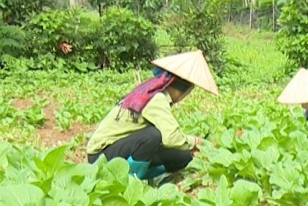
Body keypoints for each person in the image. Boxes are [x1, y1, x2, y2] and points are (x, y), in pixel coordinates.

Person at [87, 51, 219, 180]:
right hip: (100, 155)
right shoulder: (156, 98)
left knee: (183, 157)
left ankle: (144, 175)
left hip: (122, 146)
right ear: (181, 90)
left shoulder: (152, 92)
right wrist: (196, 142)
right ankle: (128, 179)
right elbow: (171, 138)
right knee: (152, 135)